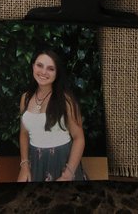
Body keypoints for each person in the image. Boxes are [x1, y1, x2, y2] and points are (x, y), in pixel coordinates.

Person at [17, 47, 87, 182]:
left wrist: (68, 173)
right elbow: (24, 133)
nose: (43, 72)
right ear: (33, 66)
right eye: (39, 65)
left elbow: (79, 138)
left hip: (61, 163)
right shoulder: (25, 98)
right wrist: (24, 165)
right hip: (35, 163)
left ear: (57, 73)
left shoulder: (66, 100)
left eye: (50, 68)